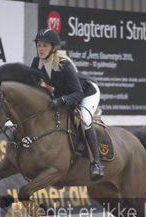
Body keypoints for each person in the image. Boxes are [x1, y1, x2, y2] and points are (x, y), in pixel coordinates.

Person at [31, 28, 104, 180]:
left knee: (85, 118)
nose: (41, 49)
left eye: (45, 45)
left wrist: (60, 101)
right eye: (39, 45)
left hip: (87, 91)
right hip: (65, 93)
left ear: (53, 48)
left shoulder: (64, 64)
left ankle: (95, 163)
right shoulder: (36, 62)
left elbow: (78, 93)